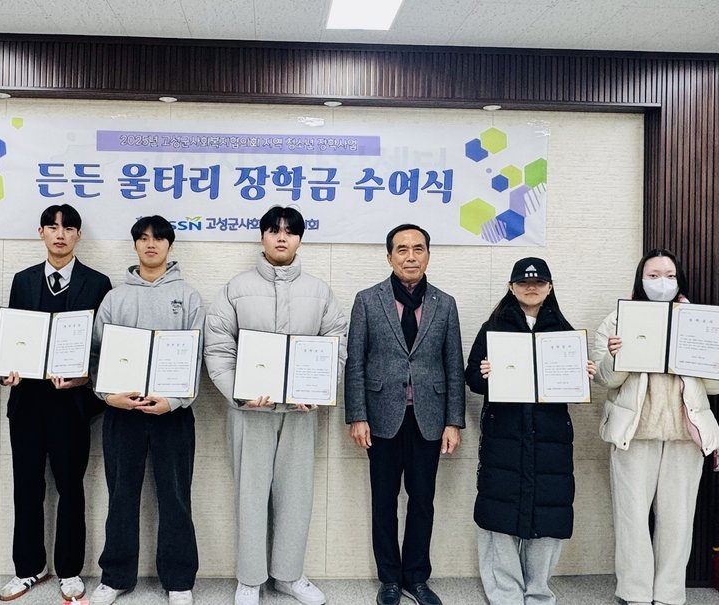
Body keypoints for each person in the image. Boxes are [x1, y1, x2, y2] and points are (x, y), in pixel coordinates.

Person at [204, 205, 348, 605]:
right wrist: (239, 392)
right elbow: (218, 347)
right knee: (250, 495)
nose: (282, 237)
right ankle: (250, 578)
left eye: (290, 231)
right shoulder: (236, 288)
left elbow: (337, 343)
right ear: (262, 236)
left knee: (296, 495)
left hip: (300, 413)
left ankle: (288, 575)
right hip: (250, 411)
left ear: (300, 239)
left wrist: (319, 390)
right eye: (274, 230)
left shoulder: (319, 291)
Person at [590, 249, 719, 605]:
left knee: (678, 519)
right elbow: (605, 380)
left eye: (669, 276)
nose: (661, 282)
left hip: (685, 434)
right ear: (640, 279)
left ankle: (669, 594)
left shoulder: (700, 321)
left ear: (679, 280)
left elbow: (717, 387)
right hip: (634, 432)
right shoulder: (617, 320)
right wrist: (616, 356)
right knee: (631, 517)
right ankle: (635, 592)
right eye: (653, 275)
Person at [0, 204, 112, 602]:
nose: (60, 234)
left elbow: (104, 347)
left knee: (70, 487)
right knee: (26, 487)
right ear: (41, 233)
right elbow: (14, 337)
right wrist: (6, 372)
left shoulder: (98, 283)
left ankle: (70, 571)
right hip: (27, 401)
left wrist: (87, 377)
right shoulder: (23, 280)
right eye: (52, 227)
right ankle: (28, 568)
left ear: (78, 235)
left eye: (68, 228)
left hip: (72, 404)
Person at [344, 224, 465, 605]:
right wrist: (357, 416)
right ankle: (390, 579)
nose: (410, 256)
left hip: (429, 418)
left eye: (418, 249)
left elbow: (454, 365)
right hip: (381, 417)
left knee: (422, 500)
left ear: (428, 254)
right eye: (402, 250)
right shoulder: (368, 300)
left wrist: (453, 421)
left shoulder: (445, 303)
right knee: (384, 501)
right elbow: (355, 362)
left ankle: (416, 577)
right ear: (389, 257)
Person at [463, 257, 595, 605]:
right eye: (523, 282)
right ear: (511, 287)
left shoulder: (564, 332)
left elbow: (574, 389)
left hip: (551, 439)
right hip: (504, 436)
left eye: (538, 283)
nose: (531, 288)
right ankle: (505, 594)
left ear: (550, 288)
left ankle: (538, 592)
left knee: (548, 513)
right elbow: (472, 378)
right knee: (500, 512)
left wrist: (583, 375)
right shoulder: (493, 328)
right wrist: (484, 374)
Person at [88, 216, 204, 605]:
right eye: (142, 238)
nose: (150, 244)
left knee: (175, 496)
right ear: (135, 245)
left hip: (173, 413)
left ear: (170, 245)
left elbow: (197, 357)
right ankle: (115, 577)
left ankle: (179, 580)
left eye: (158, 239)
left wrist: (175, 401)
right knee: (121, 496)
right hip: (122, 412)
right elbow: (96, 355)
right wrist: (107, 396)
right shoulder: (115, 298)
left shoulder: (188, 297)